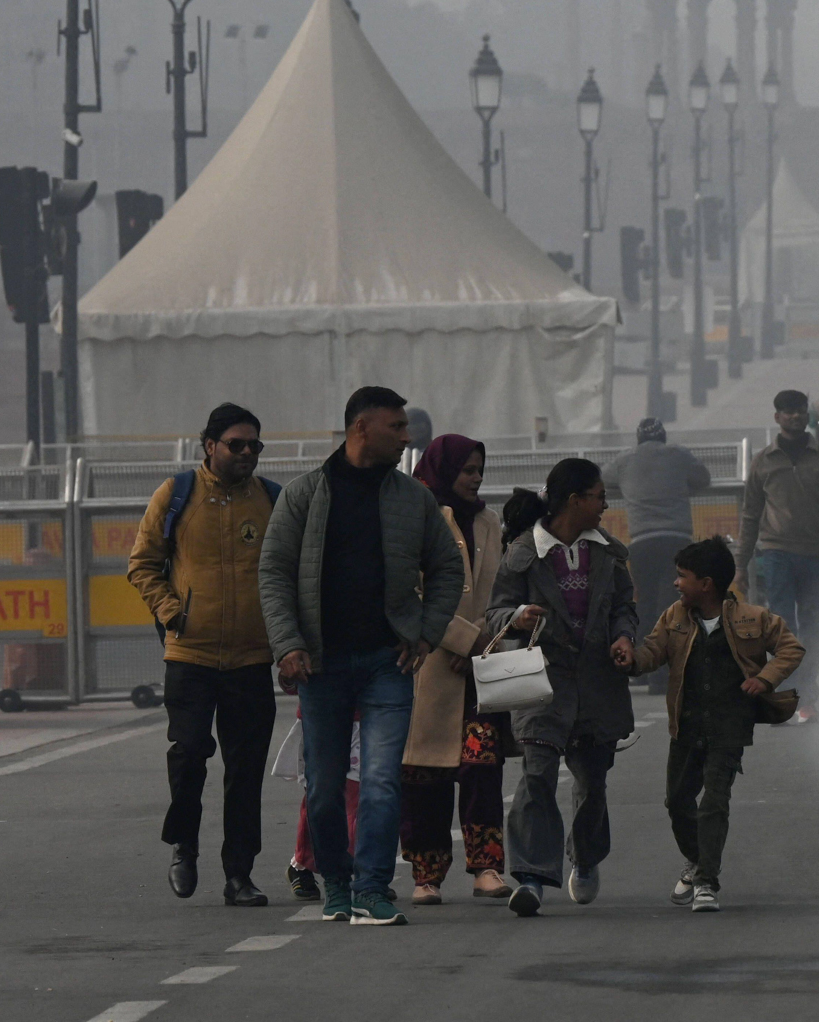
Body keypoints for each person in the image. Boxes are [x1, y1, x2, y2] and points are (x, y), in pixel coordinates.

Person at [257, 385, 462, 928]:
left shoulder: (412, 499)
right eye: (396, 427)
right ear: (361, 428)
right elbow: (273, 572)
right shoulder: (303, 495)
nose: (407, 437)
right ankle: (337, 884)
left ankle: (372, 888)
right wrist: (288, 644)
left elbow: (447, 567)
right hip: (321, 666)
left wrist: (425, 632)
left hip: (387, 664)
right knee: (324, 789)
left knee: (381, 780)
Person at [127, 402, 279, 905]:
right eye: (236, 444)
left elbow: (289, 574)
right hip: (190, 655)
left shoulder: (272, 501)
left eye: (254, 445)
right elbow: (142, 564)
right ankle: (184, 844)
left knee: (246, 770)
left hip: (251, 659)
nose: (247, 453)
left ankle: (239, 874)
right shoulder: (177, 494)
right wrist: (173, 613)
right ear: (210, 446)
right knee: (189, 753)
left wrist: (287, 641)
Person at [488, 458, 637, 918]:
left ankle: (585, 857)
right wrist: (517, 617)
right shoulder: (522, 554)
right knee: (537, 775)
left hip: (597, 683)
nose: (605, 505)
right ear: (575, 500)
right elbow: (496, 612)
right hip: (541, 679)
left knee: (592, 782)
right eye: (599, 496)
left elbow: (625, 607)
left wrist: (623, 637)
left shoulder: (609, 553)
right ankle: (531, 876)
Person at [624, 535, 802, 912]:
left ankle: (706, 881)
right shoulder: (673, 617)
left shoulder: (754, 618)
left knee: (714, 803)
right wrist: (631, 660)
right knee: (677, 802)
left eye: (682, 576)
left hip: (729, 729)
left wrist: (765, 679)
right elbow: (653, 651)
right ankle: (697, 859)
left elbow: (791, 648)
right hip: (685, 728)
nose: (676, 583)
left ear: (706, 584)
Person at [398, 435, 509, 906]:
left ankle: (487, 867)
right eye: (467, 470)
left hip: (481, 671)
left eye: (480, 469)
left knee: (483, 772)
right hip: (430, 668)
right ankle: (426, 876)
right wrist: (464, 639)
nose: (476, 478)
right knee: (425, 778)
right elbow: (413, 592)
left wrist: (483, 640)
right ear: (445, 471)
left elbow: (501, 592)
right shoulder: (419, 518)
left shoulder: (489, 522)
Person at [738, 389, 819, 723]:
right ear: (777, 417)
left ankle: (807, 697)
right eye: (788, 411)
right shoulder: (764, 461)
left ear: (807, 416)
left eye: (800, 411)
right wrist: (740, 564)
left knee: (815, 626)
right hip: (778, 554)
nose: (795, 416)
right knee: (782, 627)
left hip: (818, 554)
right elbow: (750, 515)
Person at [605, 418, 710, 638]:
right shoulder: (678, 455)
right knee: (675, 602)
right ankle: (673, 653)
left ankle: (643, 652)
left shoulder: (624, 460)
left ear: (638, 439)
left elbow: (602, 478)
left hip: (642, 542)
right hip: (677, 541)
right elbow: (703, 478)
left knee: (645, 602)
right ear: (663, 437)